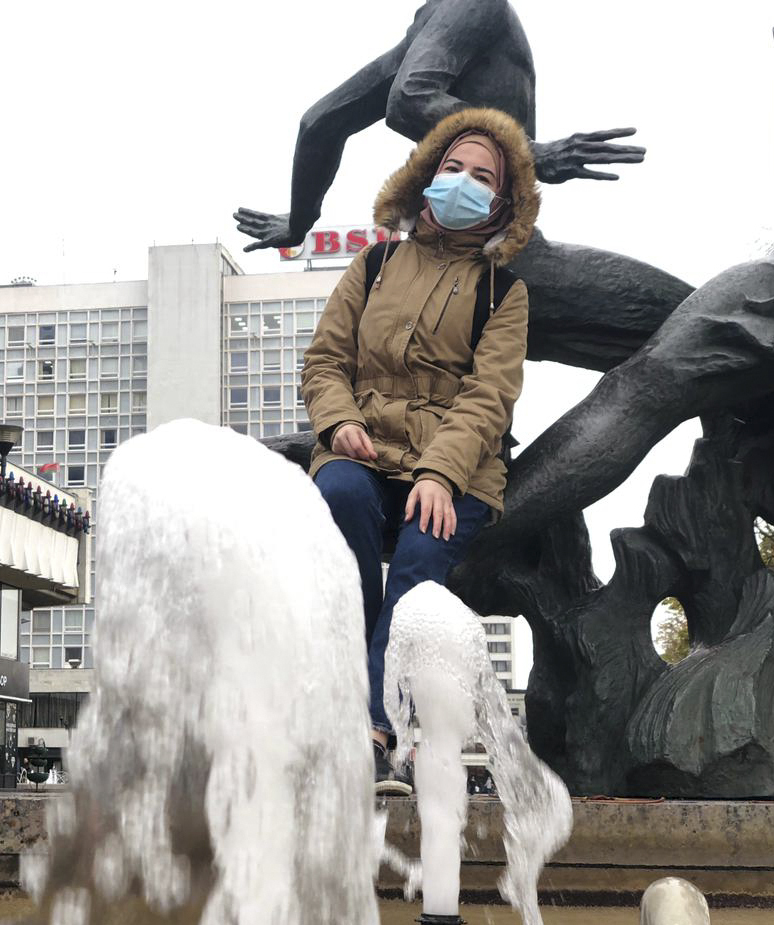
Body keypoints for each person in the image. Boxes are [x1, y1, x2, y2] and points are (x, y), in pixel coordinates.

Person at [235, 0, 691, 374]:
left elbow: (320, 123)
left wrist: (299, 224)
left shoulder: (442, 19)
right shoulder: (471, 6)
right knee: (701, 323)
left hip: (447, 262)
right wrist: (534, 153)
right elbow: (409, 101)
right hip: (500, 256)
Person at [302, 107, 538, 794]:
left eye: (482, 177)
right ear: (428, 174)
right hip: (366, 449)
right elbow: (324, 361)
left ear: (501, 203)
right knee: (339, 499)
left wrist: (439, 472)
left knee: (416, 567)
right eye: (453, 167)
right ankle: (342, 714)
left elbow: (490, 394)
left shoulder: (504, 292)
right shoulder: (374, 263)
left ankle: (375, 734)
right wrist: (339, 420)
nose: (463, 181)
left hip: (455, 468)